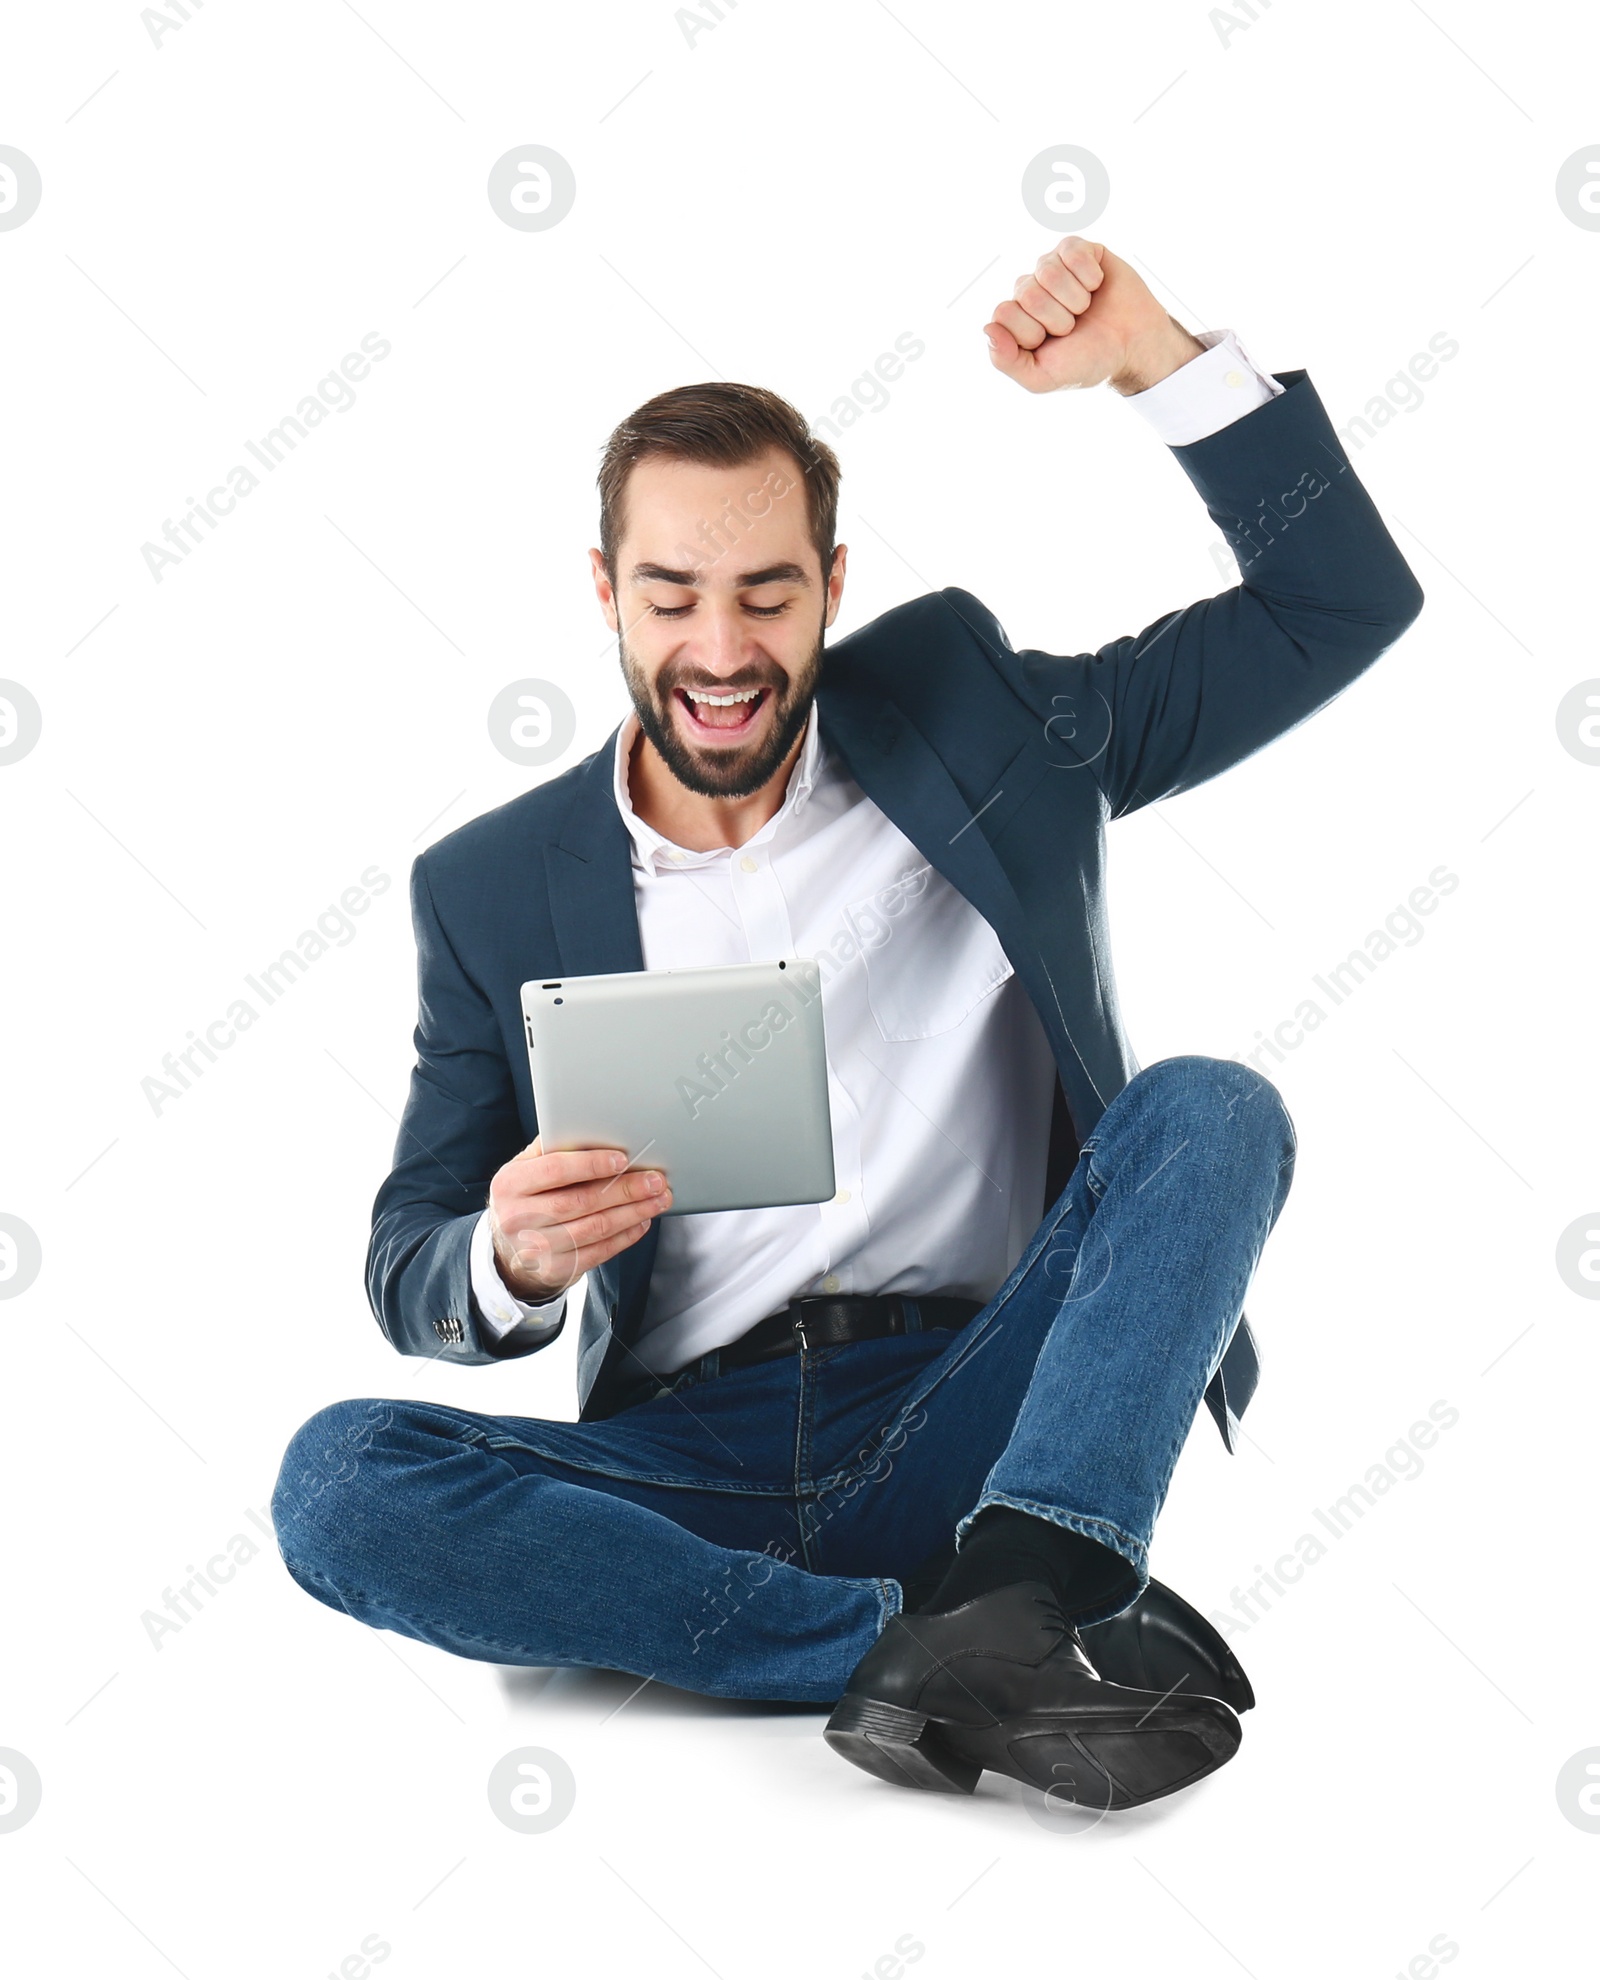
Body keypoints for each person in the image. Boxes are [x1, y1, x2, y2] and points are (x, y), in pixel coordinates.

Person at [272, 234, 1423, 1810]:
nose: (724, 652)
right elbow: (413, 1259)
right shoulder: (486, 888)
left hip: (987, 1410)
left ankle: (1031, 1570)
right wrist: (507, 1259)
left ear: (833, 586)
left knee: (1214, 1108)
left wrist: (1161, 362)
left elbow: (1335, 603)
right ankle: (942, 1642)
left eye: (768, 593)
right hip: (691, 1462)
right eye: (672, 595)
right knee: (337, 1484)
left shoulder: (993, 731)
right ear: (607, 593)